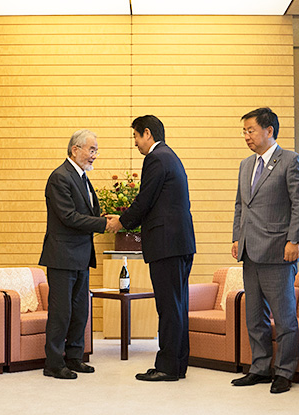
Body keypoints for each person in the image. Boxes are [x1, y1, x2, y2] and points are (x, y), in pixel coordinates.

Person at [107, 115, 196, 381]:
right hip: (180, 243)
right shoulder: (171, 156)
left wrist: (121, 222)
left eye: (135, 136)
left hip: (166, 244)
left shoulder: (156, 158)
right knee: (177, 306)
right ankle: (177, 364)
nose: (135, 143)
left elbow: (145, 198)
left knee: (168, 308)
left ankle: (167, 367)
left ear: (147, 133)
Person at [230, 107, 299, 394]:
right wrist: (237, 237)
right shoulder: (245, 165)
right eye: (244, 131)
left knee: (284, 316)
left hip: (279, 249)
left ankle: (285, 371)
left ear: (269, 131)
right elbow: (242, 205)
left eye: (250, 130)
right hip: (250, 250)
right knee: (254, 315)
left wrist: (295, 240)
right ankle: (260, 367)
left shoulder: (290, 160)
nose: (247, 136)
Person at [40, 130, 116, 380]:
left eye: (96, 150)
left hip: (81, 256)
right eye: (91, 150)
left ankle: (74, 357)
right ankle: (53, 363)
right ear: (75, 150)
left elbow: (89, 212)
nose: (95, 155)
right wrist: (103, 224)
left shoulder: (82, 177)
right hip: (62, 256)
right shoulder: (59, 177)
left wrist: (101, 219)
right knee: (61, 312)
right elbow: (68, 217)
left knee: (80, 310)